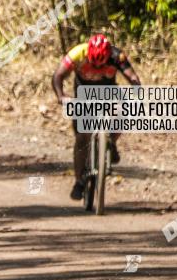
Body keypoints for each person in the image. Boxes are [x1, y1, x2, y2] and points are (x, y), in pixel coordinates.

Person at [53, 33, 141, 200]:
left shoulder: (117, 56)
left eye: (102, 65)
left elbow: (132, 77)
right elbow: (58, 75)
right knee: (82, 139)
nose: (98, 69)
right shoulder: (77, 53)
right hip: (82, 96)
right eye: (94, 64)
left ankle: (112, 142)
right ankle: (79, 182)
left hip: (108, 94)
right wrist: (61, 96)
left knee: (122, 112)